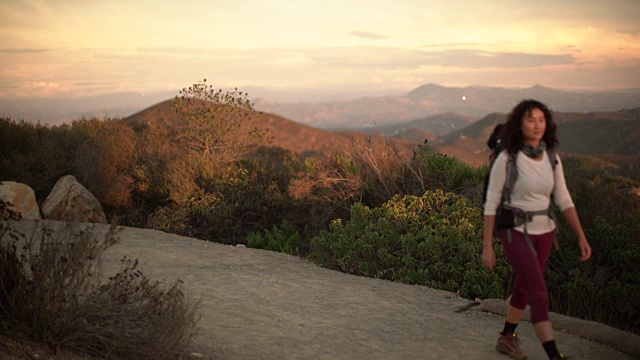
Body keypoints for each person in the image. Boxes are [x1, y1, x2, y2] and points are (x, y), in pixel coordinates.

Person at [481, 99, 592, 360]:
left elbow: (563, 199)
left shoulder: (551, 157)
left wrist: (581, 235)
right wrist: (487, 245)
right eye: (530, 120)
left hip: (545, 232)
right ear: (519, 124)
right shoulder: (507, 159)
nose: (537, 125)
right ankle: (554, 355)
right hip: (515, 231)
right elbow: (492, 203)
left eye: (541, 120)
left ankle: (507, 337)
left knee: (524, 287)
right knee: (539, 293)